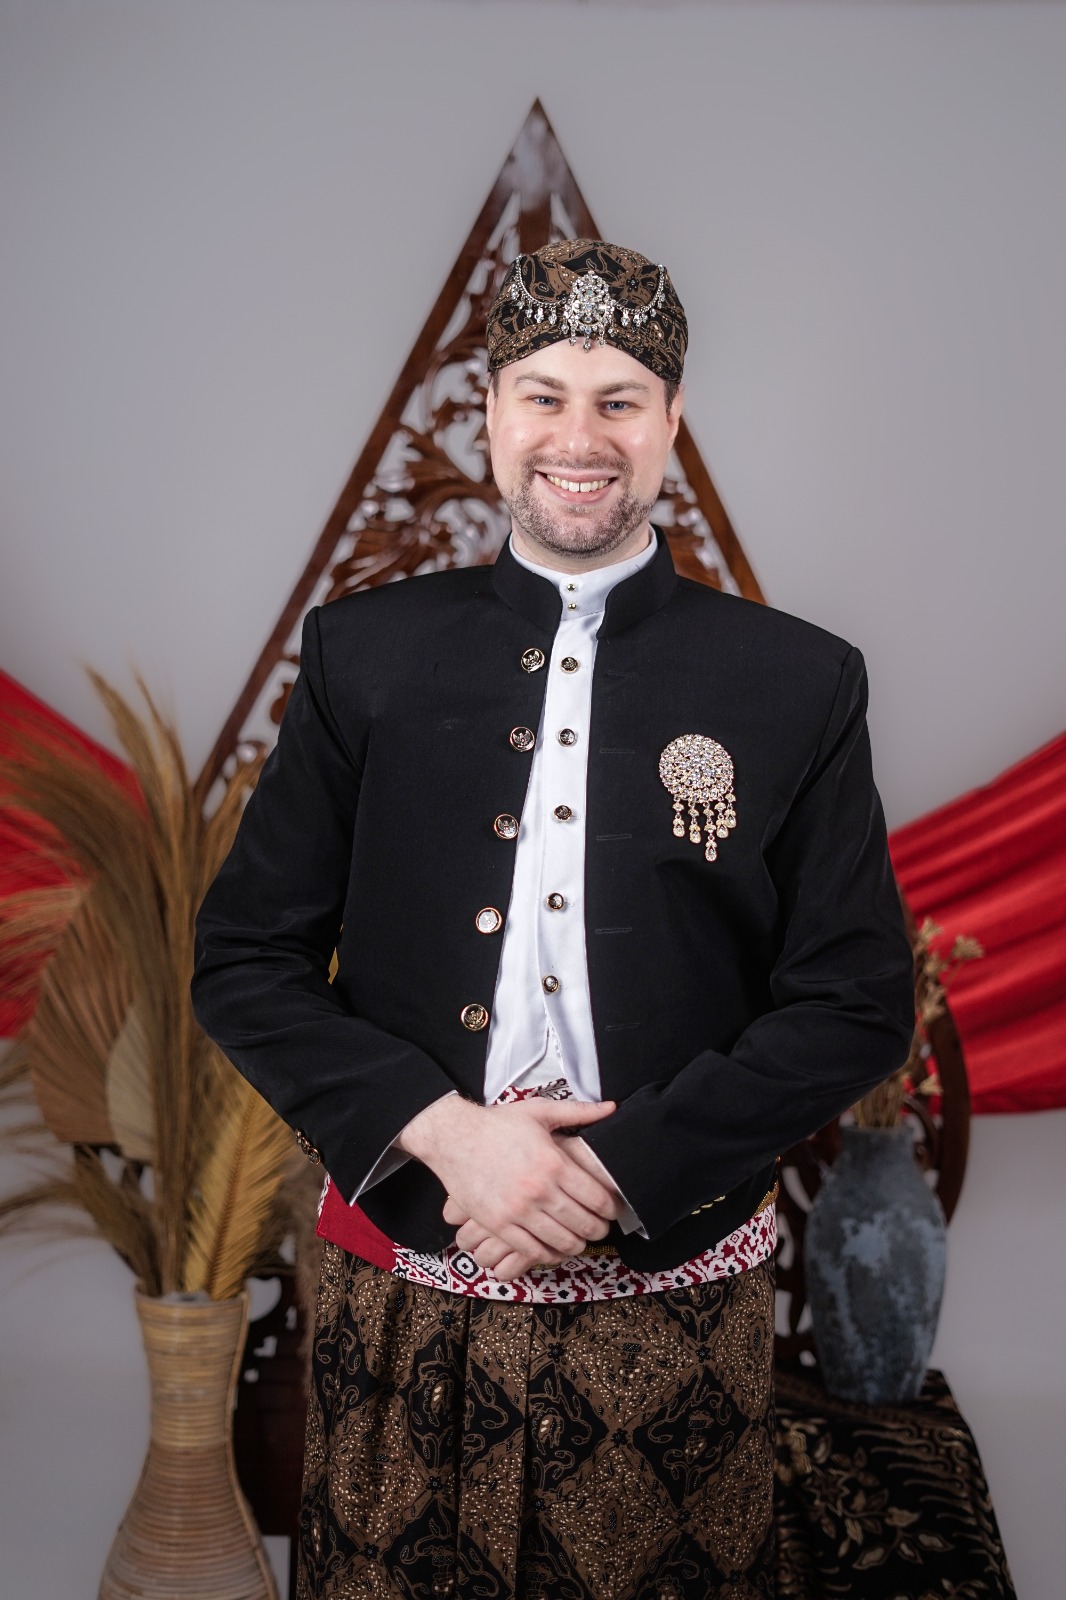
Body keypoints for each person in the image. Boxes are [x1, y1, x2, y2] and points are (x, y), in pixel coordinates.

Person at [192, 238, 915, 1600]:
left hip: (670, 1299)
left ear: (672, 420)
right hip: (407, 1278)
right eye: (543, 395)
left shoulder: (798, 682)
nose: (578, 440)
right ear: (489, 410)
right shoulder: (363, 652)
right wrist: (446, 1133)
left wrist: (618, 1171)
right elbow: (244, 958)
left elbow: (856, 1001)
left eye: (618, 401)